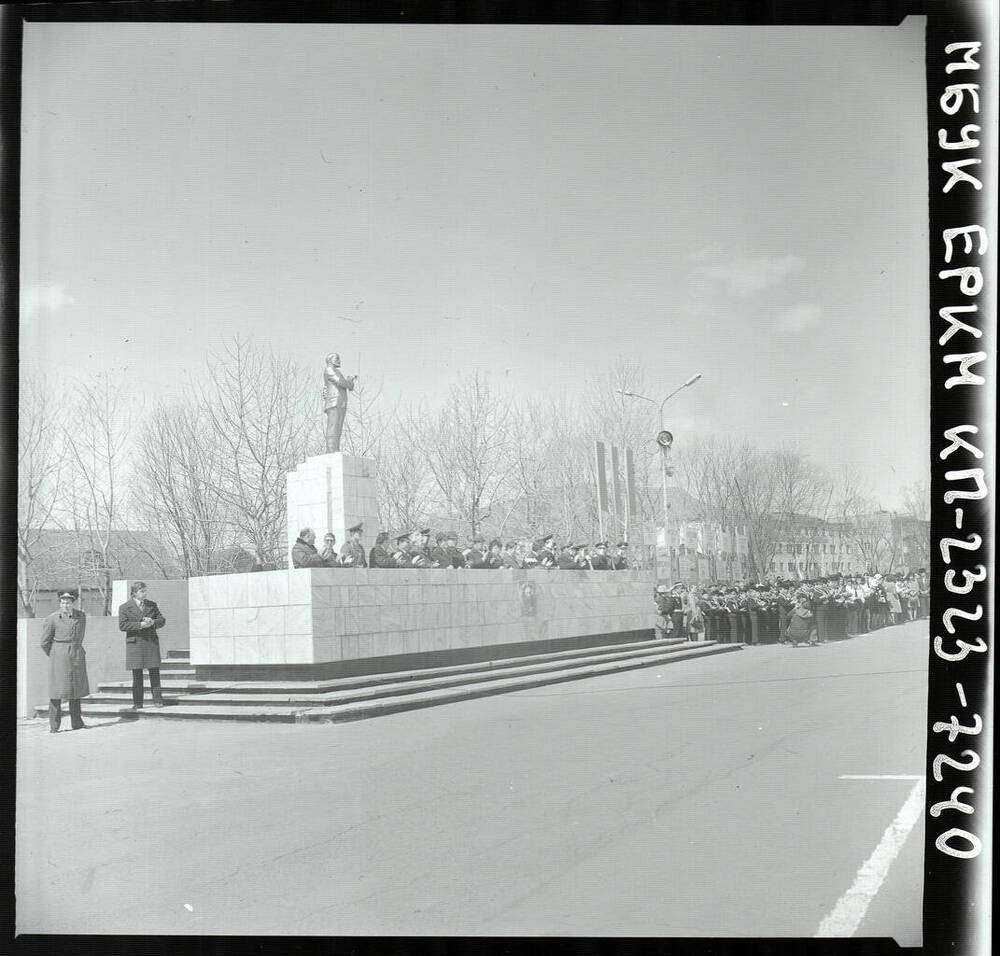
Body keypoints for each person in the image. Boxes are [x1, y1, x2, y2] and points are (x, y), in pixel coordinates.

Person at [41, 589, 90, 732]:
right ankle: (54, 726)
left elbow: (80, 636)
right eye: (62, 602)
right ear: (59, 602)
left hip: (76, 655)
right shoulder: (52, 618)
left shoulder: (81, 616)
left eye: (68, 602)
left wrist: (76, 650)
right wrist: (56, 654)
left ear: (73, 602)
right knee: (57, 692)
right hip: (59, 658)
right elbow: (44, 642)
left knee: (76, 690)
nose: (65, 605)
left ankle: (77, 723)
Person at [118, 581, 166, 709]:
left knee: (154, 672)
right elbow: (122, 626)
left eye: (145, 591)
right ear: (134, 593)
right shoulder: (124, 607)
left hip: (150, 642)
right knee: (137, 675)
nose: (145, 593)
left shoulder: (152, 605)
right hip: (135, 644)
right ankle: (138, 703)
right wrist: (140, 625)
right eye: (142, 591)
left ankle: (158, 700)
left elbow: (162, 620)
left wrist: (153, 622)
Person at [322, 352, 357, 453]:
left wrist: (348, 382)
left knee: (338, 427)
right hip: (333, 402)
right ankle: (331, 449)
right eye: (337, 358)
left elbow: (341, 382)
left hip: (340, 402)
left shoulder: (335, 371)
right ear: (330, 360)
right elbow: (340, 382)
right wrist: (349, 382)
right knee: (333, 426)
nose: (339, 360)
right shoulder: (329, 369)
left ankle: (335, 449)